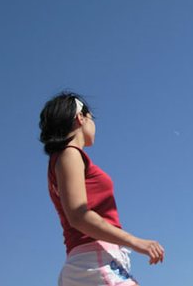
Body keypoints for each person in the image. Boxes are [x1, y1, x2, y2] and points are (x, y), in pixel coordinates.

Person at [40, 92, 165, 286]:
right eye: (91, 118)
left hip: (90, 262)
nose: (94, 125)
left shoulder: (60, 160)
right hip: (95, 260)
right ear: (80, 118)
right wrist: (136, 242)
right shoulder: (69, 154)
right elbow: (78, 216)